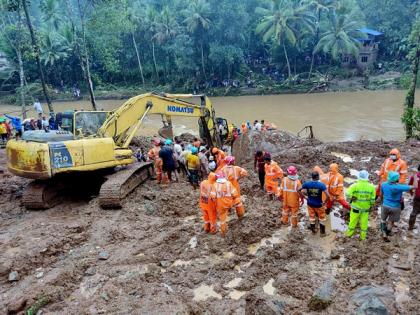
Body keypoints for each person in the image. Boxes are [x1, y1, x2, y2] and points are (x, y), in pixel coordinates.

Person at [380, 172, 413, 241]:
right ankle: (388, 232)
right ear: (397, 179)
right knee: (391, 221)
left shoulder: (383, 184)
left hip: (385, 205)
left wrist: (382, 202)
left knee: (383, 220)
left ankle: (384, 233)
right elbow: (414, 186)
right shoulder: (399, 187)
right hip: (395, 207)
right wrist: (415, 175)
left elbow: (381, 195)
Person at [346, 170, 376, 241]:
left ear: (359, 176)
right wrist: (371, 205)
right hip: (365, 209)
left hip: (355, 208)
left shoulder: (354, 185)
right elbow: (372, 200)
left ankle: (349, 234)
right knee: (364, 223)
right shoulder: (371, 187)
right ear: (367, 177)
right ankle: (362, 237)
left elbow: (347, 194)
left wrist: (354, 199)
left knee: (352, 221)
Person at [210, 171, 243, 236]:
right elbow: (235, 194)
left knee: (222, 220)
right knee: (238, 200)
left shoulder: (215, 185)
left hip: (221, 205)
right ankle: (240, 215)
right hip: (229, 203)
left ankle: (223, 232)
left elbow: (213, 197)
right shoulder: (228, 183)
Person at [299, 171, 330, 236]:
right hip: (319, 204)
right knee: (322, 218)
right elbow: (328, 195)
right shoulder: (321, 185)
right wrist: (324, 202)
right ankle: (322, 233)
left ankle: (313, 231)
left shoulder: (307, 183)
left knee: (312, 217)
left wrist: (304, 197)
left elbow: (298, 189)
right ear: (318, 177)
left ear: (312, 177)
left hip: (310, 203)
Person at [408, 165, 420, 230]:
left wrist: (411, 192)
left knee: (414, 212)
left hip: (417, 197)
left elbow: (410, 185)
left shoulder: (415, 176)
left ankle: (410, 226)